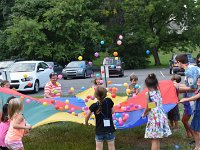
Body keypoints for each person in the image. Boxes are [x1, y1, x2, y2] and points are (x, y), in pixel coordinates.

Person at [142, 73, 171, 150]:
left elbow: (148, 106)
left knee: (154, 139)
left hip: (154, 117)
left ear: (146, 85)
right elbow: (154, 104)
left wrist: (144, 114)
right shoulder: (158, 92)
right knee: (157, 138)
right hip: (161, 115)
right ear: (156, 84)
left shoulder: (147, 94)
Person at [175, 54, 200, 138]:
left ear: (179, 62)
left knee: (197, 122)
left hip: (196, 99)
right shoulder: (194, 67)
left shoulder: (189, 71)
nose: (176, 64)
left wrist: (177, 88)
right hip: (195, 97)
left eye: (176, 62)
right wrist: (177, 85)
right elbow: (189, 85)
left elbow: (193, 88)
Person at [85, 86, 115, 150]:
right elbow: (112, 111)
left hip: (99, 130)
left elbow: (87, 116)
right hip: (109, 129)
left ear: (95, 95)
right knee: (111, 147)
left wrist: (86, 123)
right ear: (106, 94)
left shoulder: (94, 106)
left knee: (98, 148)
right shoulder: (109, 101)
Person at [179, 76, 200, 150]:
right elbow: (189, 87)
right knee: (194, 129)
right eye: (198, 80)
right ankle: (197, 146)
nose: (198, 81)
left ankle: (198, 146)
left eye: (199, 81)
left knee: (197, 130)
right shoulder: (198, 88)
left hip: (199, 112)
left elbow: (195, 97)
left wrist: (186, 99)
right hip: (197, 111)